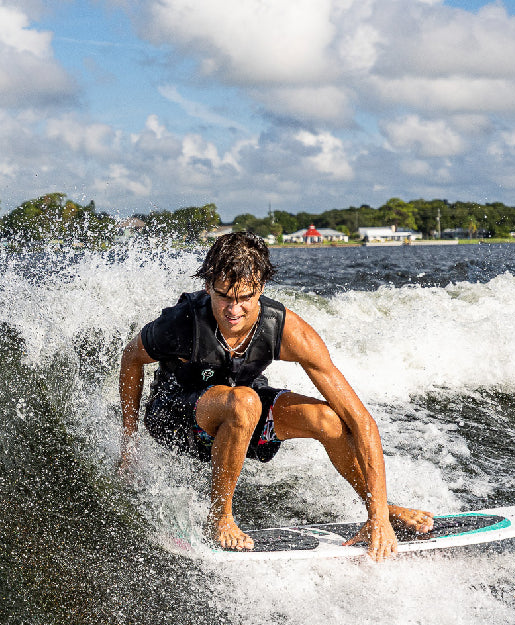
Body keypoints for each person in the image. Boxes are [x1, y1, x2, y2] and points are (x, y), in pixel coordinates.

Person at [119, 231, 433, 559]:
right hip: (175, 414)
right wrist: (130, 441)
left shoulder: (285, 329)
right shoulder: (182, 321)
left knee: (327, 418)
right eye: (224, 296)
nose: (233, 309)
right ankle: (220, 518)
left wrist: (378, 515)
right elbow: (131, 358)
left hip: (243, 412)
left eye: (246, 297)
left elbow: (362, 422)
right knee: (244, 401)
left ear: (262, 287)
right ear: (209, 285)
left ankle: (381, 508)